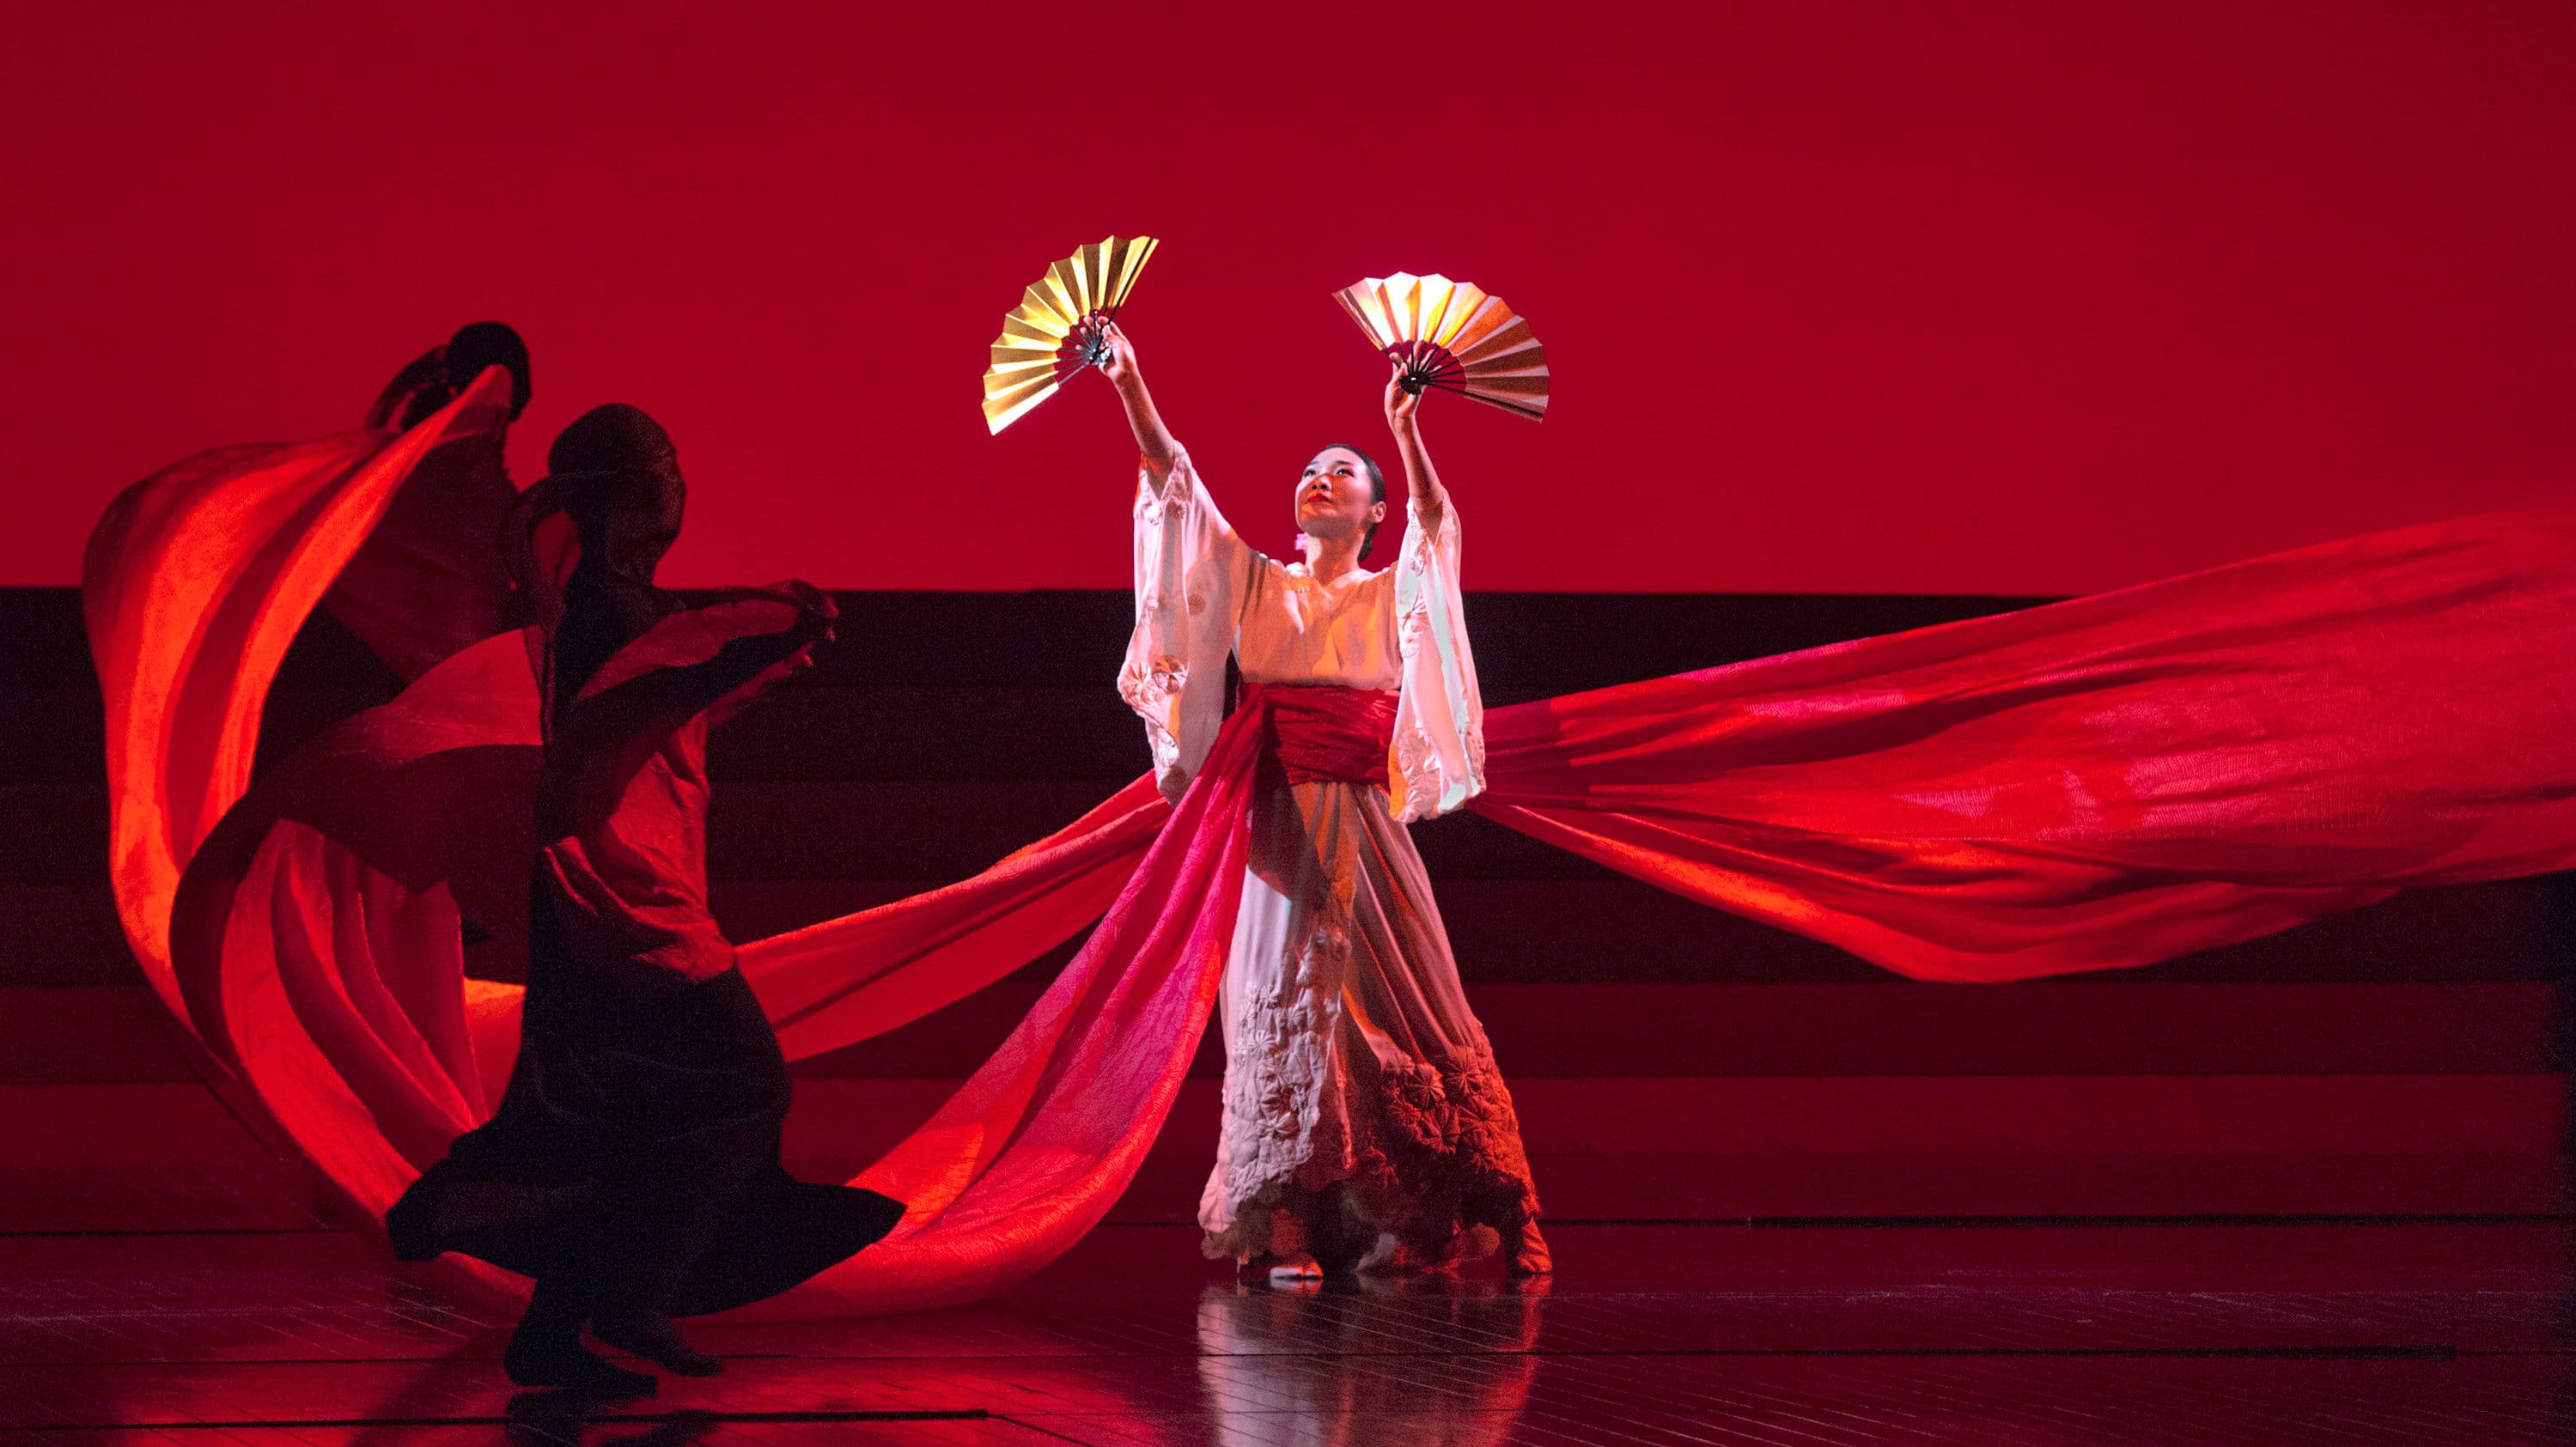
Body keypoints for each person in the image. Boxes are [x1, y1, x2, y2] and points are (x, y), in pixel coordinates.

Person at [385, 404, 902, 1394]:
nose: (682, 489)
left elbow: (659, 697)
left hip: (609, 882)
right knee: (743, 1082)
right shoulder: (610, 612)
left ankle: (555, 1327)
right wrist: (756, 632)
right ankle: (615, 1282)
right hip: (622, 896)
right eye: (669, 470)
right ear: (632, 493)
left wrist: (752, 647)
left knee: (632, 1117)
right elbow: (633, 702)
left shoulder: (610, 603)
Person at [1099, 322, 1550, 1280]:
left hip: (1365, 822)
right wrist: (1130, 378)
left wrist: (1404, 428)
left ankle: (1430, 1212)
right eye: (1309, 470)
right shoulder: (1256, 578)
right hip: (1274, 826)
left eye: (1343, 474)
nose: (1319, 480)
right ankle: (1280, 1220)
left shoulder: (1393, 589)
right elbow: (1173, 481)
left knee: (1401, 999)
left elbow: (1435, 531)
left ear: (1372, 509)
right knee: (1279, 1002)